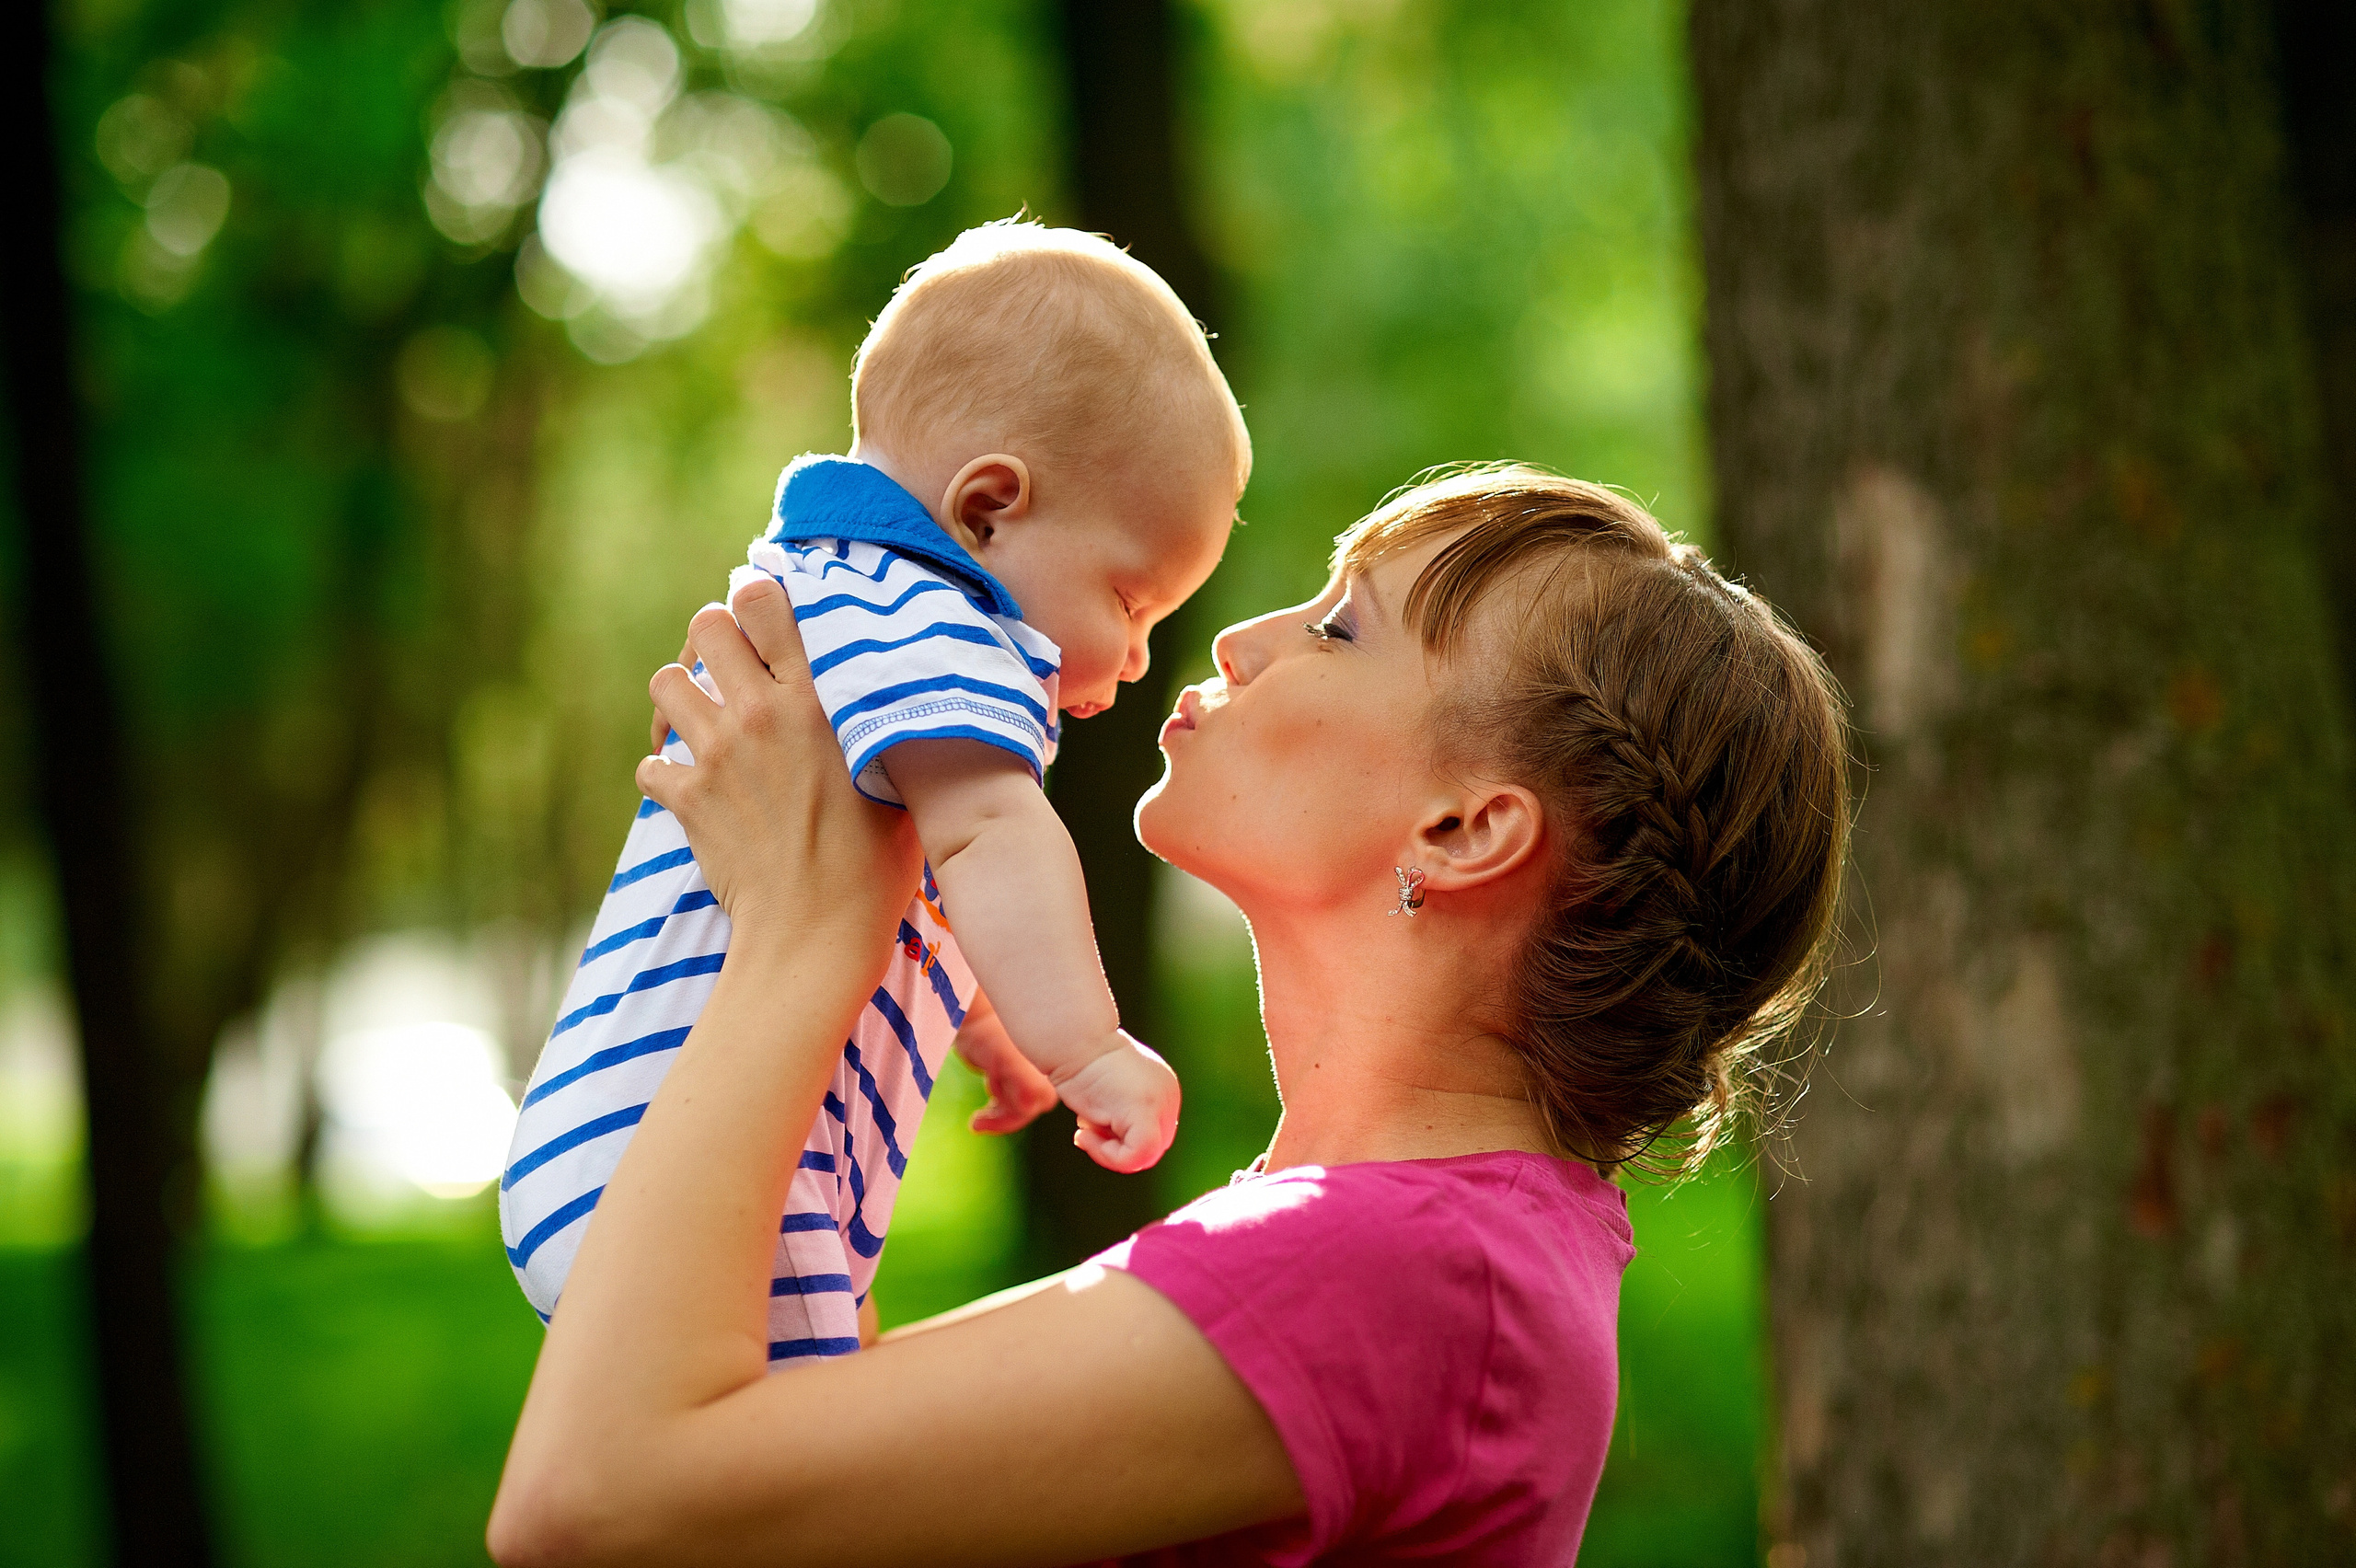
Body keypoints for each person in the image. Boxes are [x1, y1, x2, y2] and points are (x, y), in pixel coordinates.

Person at [489, 466, 1852, 1565]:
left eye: (1338, 627)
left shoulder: (1399, 1269)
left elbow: (593, 1502)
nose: (1242, 643)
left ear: (1464, 828)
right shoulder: (1421, 1244)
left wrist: (803, 939)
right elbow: (759, 1470)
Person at [499, 219, 1251, 1362]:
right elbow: (993, 837)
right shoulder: (923, 618)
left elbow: (932, 881)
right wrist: (1084, 1045)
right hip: (699, 1147)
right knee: (790, 1472)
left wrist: (990, 1020)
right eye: (1133, 601)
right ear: (988, 509)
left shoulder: (843, 603)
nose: (1141, 658)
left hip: (637, 1133)